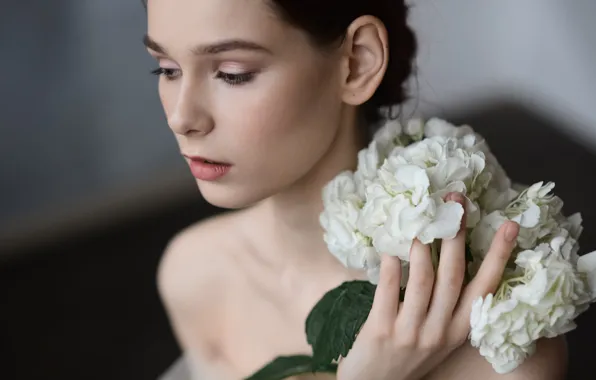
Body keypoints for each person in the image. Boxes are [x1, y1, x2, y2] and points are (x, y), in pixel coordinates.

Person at [142, 0, 568, 379]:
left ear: (357, 63)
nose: (182, 118)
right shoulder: (197, 276)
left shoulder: (501, 351)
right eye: (167, 70)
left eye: (233, 74)